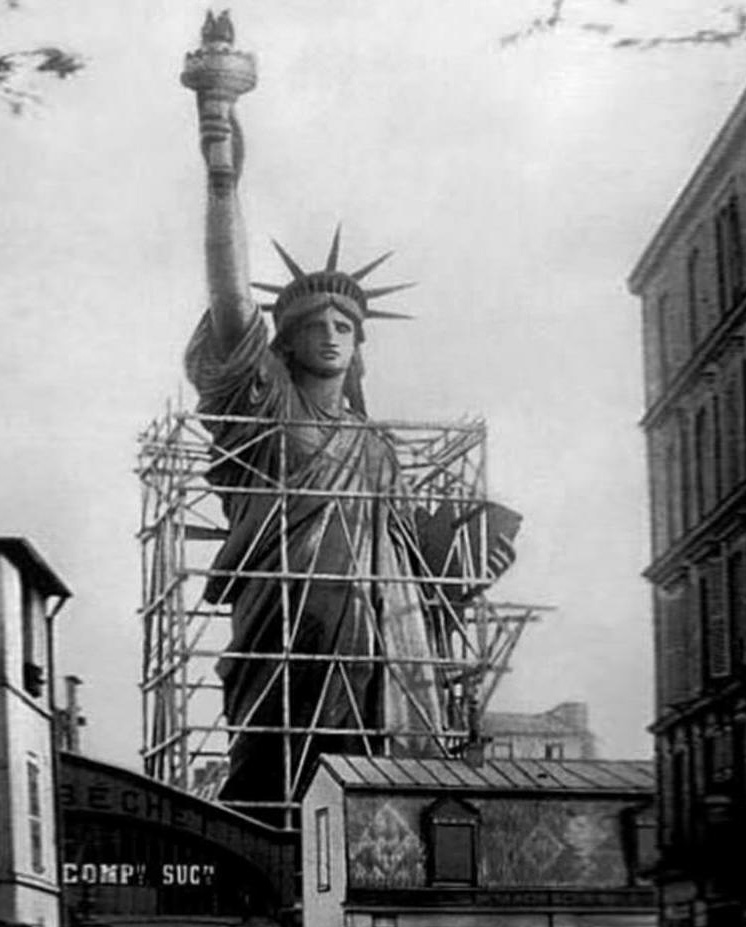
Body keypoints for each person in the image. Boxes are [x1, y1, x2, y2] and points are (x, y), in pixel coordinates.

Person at [183, 21, 518, 819]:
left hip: (374, 618)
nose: (331, 335)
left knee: (368, 756)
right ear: (286, 344)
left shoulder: (374, 446)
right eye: (313, 326)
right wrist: (220, 160)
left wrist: (470, 546)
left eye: (345, 327)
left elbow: (410, 553)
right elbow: (231, 301)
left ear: (358, 345)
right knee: (278, 748)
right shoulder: (264, 401)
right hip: (285, 604)